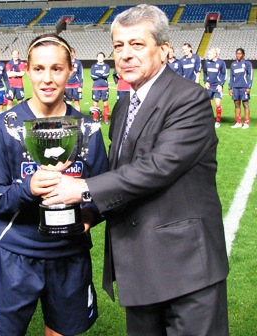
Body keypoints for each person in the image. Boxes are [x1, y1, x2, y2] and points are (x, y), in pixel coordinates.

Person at [42, 5, 229, 335]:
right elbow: (122, 172)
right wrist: (91, 212)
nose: (125, 55)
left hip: (185, 268)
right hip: (138, 267)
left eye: (137, 44)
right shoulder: (124, 104)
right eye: (119, 46)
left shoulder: (190, 99)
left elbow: (158, 167)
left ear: (164, 50)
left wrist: (83, 188)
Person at [0, 33, 108, 336]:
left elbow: (104, 190)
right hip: (16, 254)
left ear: (71, 70)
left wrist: (89, 216)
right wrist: (29, 188)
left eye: (56, 68)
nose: (47, 79)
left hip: (69, 255)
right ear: (26, 70)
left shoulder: (88, 129)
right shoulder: (5, 127)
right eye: (39, 69)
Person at [229, 48, 253, 129]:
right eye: (237, 53)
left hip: (244, 87)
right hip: (235, 87)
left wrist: (249, 87)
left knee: (245, 104)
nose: (238, 55)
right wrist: (230, 88)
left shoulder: (247, 63)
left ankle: (246, 123)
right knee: (236, 105)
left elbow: (251, 76)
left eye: (240, 53)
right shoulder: (233, 64)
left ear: (243, 54)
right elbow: (231, 76)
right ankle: (238, 122)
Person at [203, 48, 227, 128]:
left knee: (218, 104)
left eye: (209, 54)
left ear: (215, 55)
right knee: (208, 104)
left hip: (217, 87)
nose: (208, 56)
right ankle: (209, 120)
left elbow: (224, 74)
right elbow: (205, 73)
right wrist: (206, 81)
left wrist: (220, 84)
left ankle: (218, 121)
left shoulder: (221, 63)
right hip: (209, 86)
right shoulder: (207, 62)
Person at [90, 52, 110, 124]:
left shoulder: (107, 66)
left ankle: (106, 119)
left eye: (102, 57)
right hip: (96, 86)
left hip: (104, 87)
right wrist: (101, 74)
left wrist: (98, 74)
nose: (100, 58)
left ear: (104, 58)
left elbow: (106, 75)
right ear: (97, 58)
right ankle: (95, 119)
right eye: (99, 57)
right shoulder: (93, 66)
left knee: (105, 103)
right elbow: (93, 76)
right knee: (95, 103)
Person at [64, 47, 83, 112]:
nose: (71, 54)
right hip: (67, 85)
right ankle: (67, 118)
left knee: (76, 102)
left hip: (76, 85)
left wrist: (80, 86)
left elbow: (81, 74)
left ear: (74, 53)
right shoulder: (65, 62)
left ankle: (78, 119)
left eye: (72, 52)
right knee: (66, 103)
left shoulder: (78, 63)